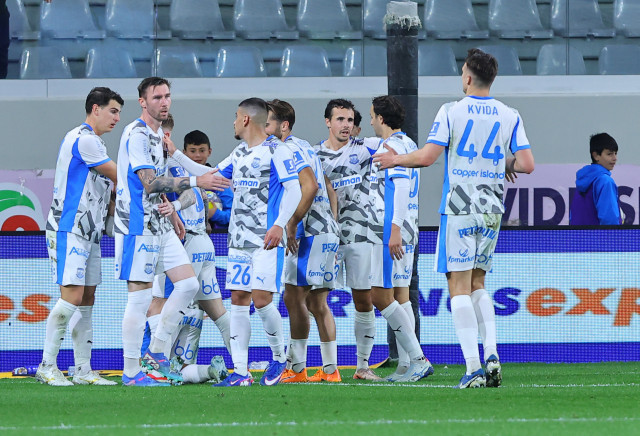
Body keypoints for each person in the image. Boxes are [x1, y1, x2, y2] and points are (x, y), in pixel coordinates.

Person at [374, 48, 535, 389]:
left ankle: (473, 367)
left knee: (458, 287)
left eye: (462, 71)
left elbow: (427, 157)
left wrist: (395, 160)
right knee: (478, 284)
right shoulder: (510, 114)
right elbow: (526, 164)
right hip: (492, 209)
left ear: (468, 77)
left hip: (460, 207)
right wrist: (502, 164)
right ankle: (491, 353)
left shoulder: (452, 110)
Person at [167, 98, 302, 387]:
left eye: (236, 116)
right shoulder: (239, 152)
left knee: (262, 300)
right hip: (239, 241)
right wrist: (175, 153)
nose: (233, 121)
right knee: (239, 300)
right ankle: (241, 372)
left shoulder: (277, 150)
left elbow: (295, 190)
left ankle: (280, 357)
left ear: (245, 120)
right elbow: (208, 176)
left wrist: (279, 224)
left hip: (266, 240)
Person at [115, 77, 230, 387]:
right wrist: (195, 182)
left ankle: (156, 352)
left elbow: (163, 185)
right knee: (140, 299)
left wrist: (174, 213)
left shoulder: (158, 137)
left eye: (167, 96)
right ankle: (131, 372)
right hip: (137, 225)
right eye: (157, 97)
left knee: (188, 284)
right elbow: (150, 183)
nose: (164, 102)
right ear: (142, 102)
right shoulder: (137, 134)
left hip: (161, 225)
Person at [37, 87, 123, 386]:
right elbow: (122, 176)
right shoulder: (83, 139)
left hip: (90, 233)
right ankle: (47, 366)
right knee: (72, 296)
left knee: (87, 298)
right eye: (113, 111)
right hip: (69, 228)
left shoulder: (97, 143)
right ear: (95, 109)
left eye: (119, 113)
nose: (117, 118)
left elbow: (107, 190)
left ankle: (83, 370)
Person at [265, 99, 342, 383]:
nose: (264, 128)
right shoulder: (305, 146)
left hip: (309, 232)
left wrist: (293, 222)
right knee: (317, 303)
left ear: (283, 126)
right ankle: (331, 370)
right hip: (327, 230)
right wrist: (331, 220)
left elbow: (310, 186)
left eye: (268, 123)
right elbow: (328, 187)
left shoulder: (286, 149)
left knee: (293, 296)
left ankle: (296, 368)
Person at [143, 126, 231, 366]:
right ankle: (241, 367)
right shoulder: (183, 167)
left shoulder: (163, 166)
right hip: (204, 243)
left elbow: (188, 194)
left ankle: (156, 362)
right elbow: (193, 194)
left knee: (159, 303)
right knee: (218, 312)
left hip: (185, 242)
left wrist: (174, 207)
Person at [367, 95, 433, 382]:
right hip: (408, 228)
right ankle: (406, 365)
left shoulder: (390, 148)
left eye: (372, 116)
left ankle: (418, 360)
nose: (371, 121)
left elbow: (402, 187)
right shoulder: (409, 145)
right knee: (401, 295)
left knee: (380, 296)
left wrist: (393, 229)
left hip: (390, 230)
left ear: (381, 118)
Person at [315, 98, 382, 381]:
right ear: (328, 122)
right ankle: (328, 368)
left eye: (350, 120)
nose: (346, 125)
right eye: (340, 119)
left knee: (364, 299)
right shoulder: (313, 154)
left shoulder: (366, 148)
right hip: (324, 235)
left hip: (360, 233)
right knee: (316, 300)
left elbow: (399, 145)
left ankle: (362, 366)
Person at [569, 133, 622, 225]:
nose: (615, 158)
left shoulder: (583, 180)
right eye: (609, 154)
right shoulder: (605, 181)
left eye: (615, 153)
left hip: (577, 234)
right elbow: (610, 221)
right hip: (599, 235)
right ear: (596, 155)